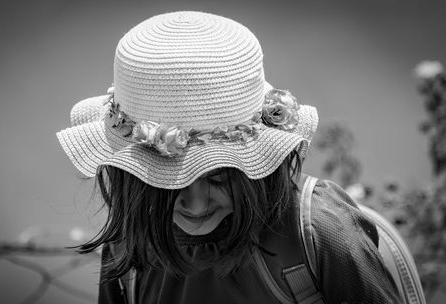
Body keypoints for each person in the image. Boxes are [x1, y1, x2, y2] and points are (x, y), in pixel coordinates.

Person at [56, 11, 401, 304]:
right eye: (164, 179)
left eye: (217, 176)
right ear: (132, 179)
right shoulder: (130, 246)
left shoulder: (320, 235)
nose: (194, 202)